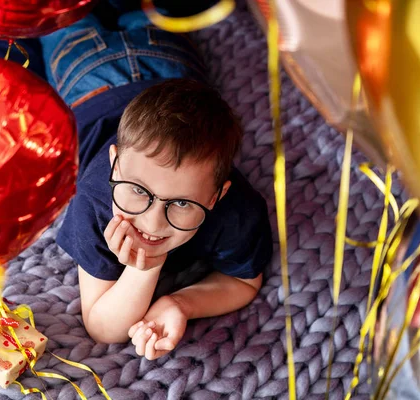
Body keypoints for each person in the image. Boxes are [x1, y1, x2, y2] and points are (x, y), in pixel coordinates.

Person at [40, 3, 273, 360]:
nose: (151, 223)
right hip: (96, 76)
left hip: (158, 68)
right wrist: (142, 266)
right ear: (114, 165)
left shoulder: (238, 211)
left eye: (181, 203)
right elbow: (100, 325)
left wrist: (179, 301)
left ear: (217, 196)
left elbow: (244, 281)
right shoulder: (97, 198)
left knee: (61, 15)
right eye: (138, 191)